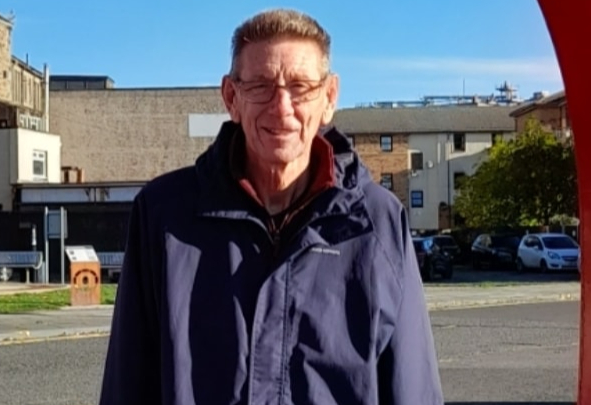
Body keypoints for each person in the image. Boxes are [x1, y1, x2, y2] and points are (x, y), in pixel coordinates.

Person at [99, 8, 444, 405]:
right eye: (261, 86)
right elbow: (128, 384)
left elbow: (413, 388)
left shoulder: (377, 222)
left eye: (300, 87)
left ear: (329, 98)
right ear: (232, 97)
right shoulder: (164, 216)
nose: (281, 107)